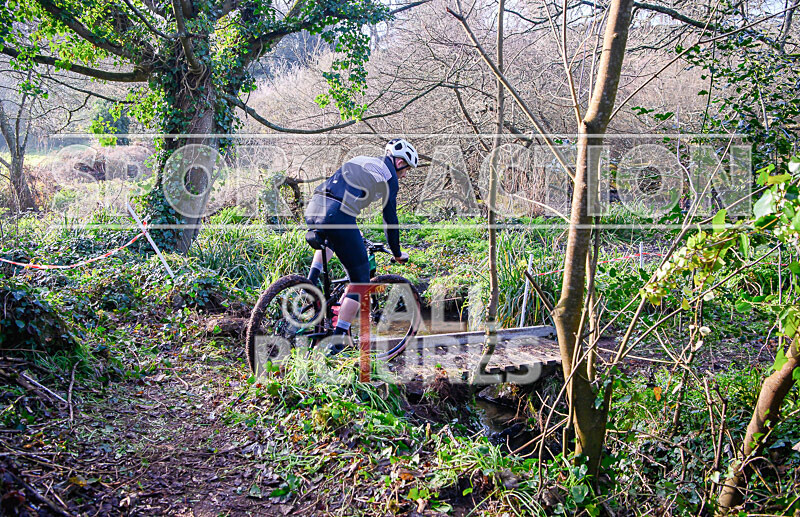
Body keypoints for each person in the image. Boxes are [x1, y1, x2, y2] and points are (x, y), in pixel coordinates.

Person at [304, 138, 418, 352]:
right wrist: (397, 252)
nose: (404, 175)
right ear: (399, 162)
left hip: (314, 207)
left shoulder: (363, 161)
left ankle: (309, 282)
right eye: (406, 170)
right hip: (338, 214)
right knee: (361, 281)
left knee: (332, 237)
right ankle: (338, 341)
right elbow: (390, 221)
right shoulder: (388, 176)